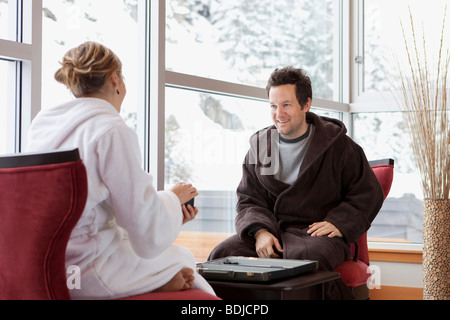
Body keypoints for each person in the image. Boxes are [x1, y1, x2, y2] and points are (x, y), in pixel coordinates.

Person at [26, 41, 215, 299]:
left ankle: (148, 282)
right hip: (90, 271)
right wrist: (173, 198)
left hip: (47, 267)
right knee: (183, 258)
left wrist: (169, 213)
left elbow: (87, 210)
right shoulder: (111, 130)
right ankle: (148, 283)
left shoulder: (44, 125)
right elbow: (145, 229)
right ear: (115, 79)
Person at [208, 66, 384, 299]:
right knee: (223, 253)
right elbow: (249, 199)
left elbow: (367, 192)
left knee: (308, 259)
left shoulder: (337, 145)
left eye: (287, 105)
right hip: (272, 230)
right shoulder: (262, 147)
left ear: (306, 104)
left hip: (315, 235)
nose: (279, 113)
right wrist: (260, 231)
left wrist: (338, 222)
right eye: (273, 105)